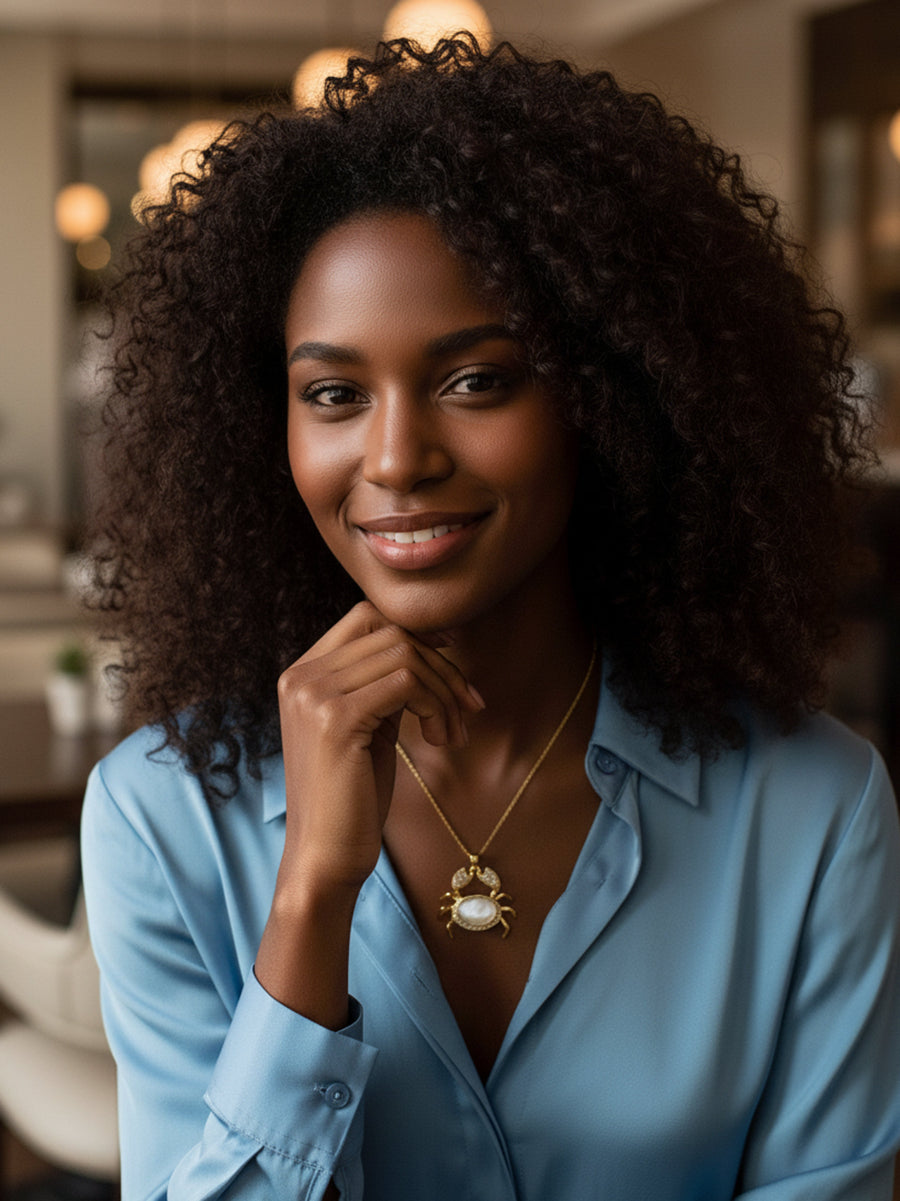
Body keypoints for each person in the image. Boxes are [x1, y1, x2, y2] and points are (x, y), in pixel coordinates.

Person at [81, 34, 900, 1200]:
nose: (399, 457)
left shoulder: (812, 813)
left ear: (610, 399)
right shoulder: (161, 819)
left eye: (477, 381)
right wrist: (312, 894)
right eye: (334, 395)